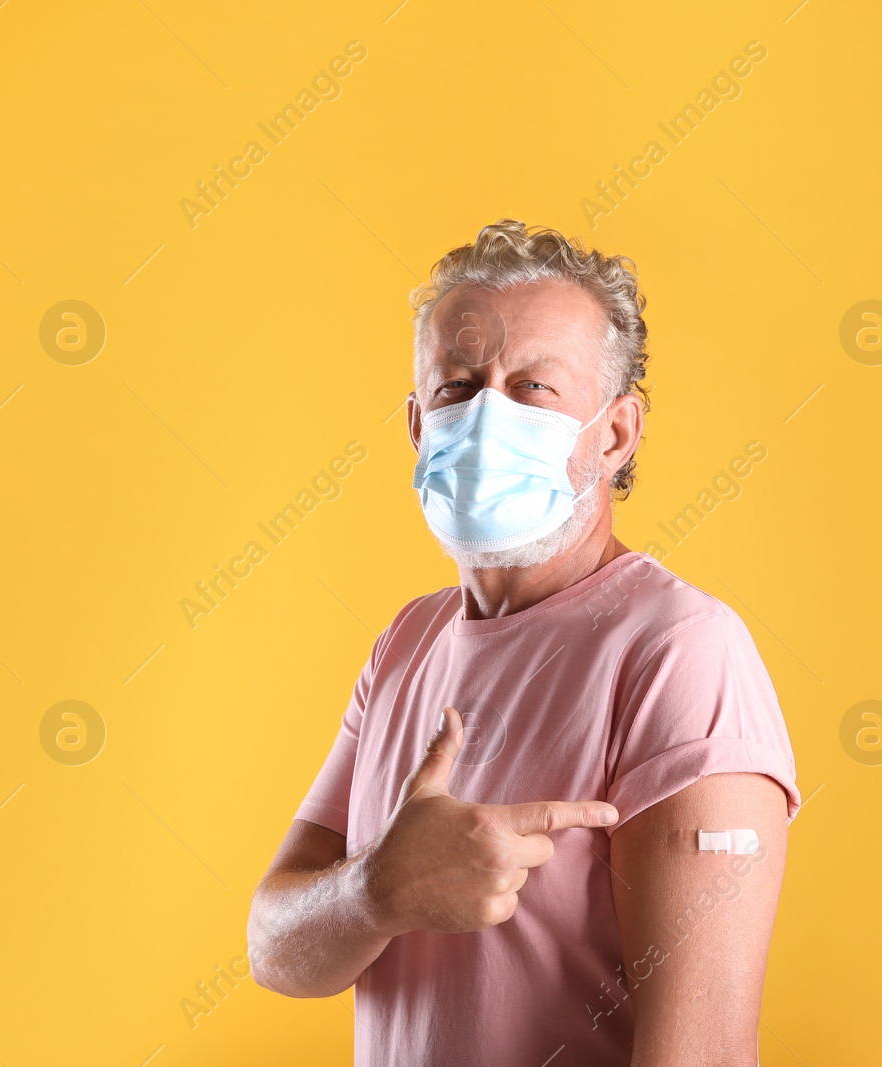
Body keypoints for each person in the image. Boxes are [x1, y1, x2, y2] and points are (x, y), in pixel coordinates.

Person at [247, 220, 800, 1066]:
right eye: (457, 388)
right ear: (415, 425)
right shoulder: (406, 643)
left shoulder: (682, 655)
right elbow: (274, 949)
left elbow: (704, 1054)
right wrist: (376, 891)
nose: (484, 418)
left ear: (615, 434)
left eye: (532, 388)